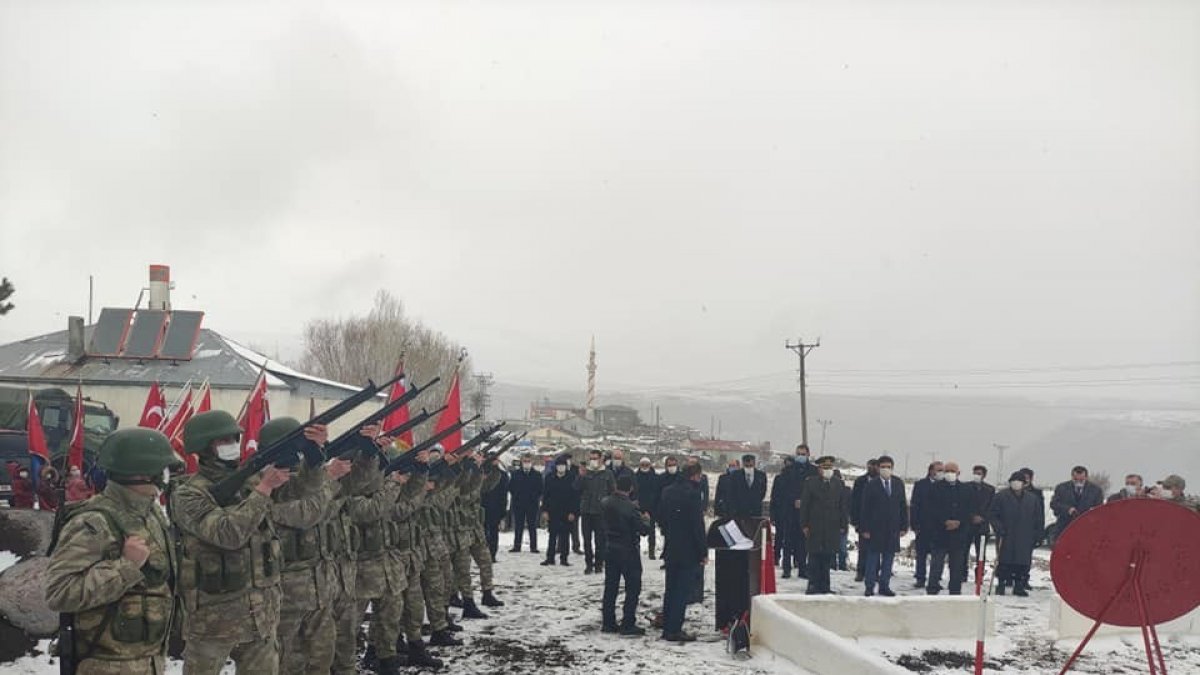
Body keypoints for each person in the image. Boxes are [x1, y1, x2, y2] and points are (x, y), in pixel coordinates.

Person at [44, 428, 183, 675]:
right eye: (161, 469)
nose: (165, 476)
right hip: (106, 666)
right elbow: (59, 592)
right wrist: (126, 566)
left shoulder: (151, 513)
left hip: (150, 661)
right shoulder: (92, 523)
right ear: (138, 473)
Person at [171, 410, 292, 674]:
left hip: (261, 615)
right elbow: (228, 535)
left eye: (235, 439)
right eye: (223, 440)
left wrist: (312, 454)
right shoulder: (187, 494)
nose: (233, 445)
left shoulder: (251, 480)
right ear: (204, 447)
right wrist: (264, 489)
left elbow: (302, 496)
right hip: (213, 620)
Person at [658, 462, 707, 643]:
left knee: (670, 588)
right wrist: (703, 551)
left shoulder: (667, 491)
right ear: (695, 475)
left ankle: (666, 625)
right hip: (688, 549)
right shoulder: (693, 494)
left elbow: (661, 517)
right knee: (681, 591)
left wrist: (669, 532)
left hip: (671, 545)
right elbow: (697, 525)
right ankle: (674, 629)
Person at [601, 474, 653, 635]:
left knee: (611, 587)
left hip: (610, 547)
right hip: (628, 550)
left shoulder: (605, 502)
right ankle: (628, 623)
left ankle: (608, 622)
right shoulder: (631, 508)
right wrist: (646, 519)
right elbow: (643, 530)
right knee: (633, 587)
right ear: (630, 488)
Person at [797, 456, 848, 595]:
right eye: (824, 468)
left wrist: (843, 524)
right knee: (814, 556)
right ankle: (813, 585)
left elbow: (842, 506)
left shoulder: (838, 483)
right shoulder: (811, 483)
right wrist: (804, 524)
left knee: (827, 557)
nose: (827, 470)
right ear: (819, 469)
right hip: (815, 525)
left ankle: (825, 586)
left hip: (832, 526)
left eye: (829, 467)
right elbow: (805, 506)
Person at [989, 471, 1044, 596]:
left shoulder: (1032, 499)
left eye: (1019, 481)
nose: (1016, 484)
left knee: (1022, 562)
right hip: (1006, 534)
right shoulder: (1001, 496)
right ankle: (1001, 584)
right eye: (1013, 481)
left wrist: (1038, 535)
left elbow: (1038, 518)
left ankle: (1019, 586)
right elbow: (992, 514)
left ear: (1024, 484)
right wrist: (998, 528)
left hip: (1025, 535)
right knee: (1004, 561)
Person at [858, 455, 907, 597]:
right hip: (875, 528)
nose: (886, 469)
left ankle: (884, 586)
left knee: (888, 559)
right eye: (883, 467)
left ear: (892, 468)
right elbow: (865, 508)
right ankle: (869, 586)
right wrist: (864, 528)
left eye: (888, 467)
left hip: (892, 528)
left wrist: (904, 526)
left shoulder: (898, 483)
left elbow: (902, 506)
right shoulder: (871, 485)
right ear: (878, 468)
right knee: (872, 559)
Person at [925, 461, 976, 595]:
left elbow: (969, 509)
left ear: (958, 473)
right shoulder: (935, 488)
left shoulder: (966, 489)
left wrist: (959, 522)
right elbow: (931, 509)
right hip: (940, 533)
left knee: (957, 565)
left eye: (952, 471)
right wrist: (944, 521)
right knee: (936, 564)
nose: (949, 474)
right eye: (947, 471)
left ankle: (955, 590)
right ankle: (932, 588)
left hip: (959, 534)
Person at [778, 444, 817, 578]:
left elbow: (814, 492)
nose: (800, 456)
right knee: (788, 541)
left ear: (808, 455)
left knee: (803, 542)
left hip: (806, 512)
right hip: (790, 511)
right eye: (798, 454)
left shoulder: (813, 471)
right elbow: (783, 490)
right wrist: (793, 500)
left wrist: (803, 501)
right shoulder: (788, 471)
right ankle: (786, 568)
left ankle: (802, 568)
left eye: (803, 454)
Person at [575, 449, 616, 575]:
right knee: (587, 540)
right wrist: (581, 476)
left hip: (601, 512)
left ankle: (598, 564)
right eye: (591, 458)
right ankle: (588, 564)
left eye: (595, 458)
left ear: (601, 459)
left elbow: (612, 492)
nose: (593, 461)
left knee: (600, 541)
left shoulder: (607, 474)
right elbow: (576, 488)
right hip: (586, 511)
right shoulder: (586, 473)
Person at [909, 461, 944, 588]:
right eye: (938, 470)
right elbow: (914, 505)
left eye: (942, 470)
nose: (940, 473)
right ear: (931, 471)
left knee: (938, 556)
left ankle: (935, 580)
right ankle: (920, 578)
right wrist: (914, 524)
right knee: (921, 554)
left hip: (939, 527)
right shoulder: (921, 485)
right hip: (923, 525)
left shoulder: (945, 486)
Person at [541, 455, 579, 566]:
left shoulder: (572, 478)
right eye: (559, 465)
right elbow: (546, 495)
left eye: (563, 465)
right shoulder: (550, 477)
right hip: (553, 511)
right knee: (552, 536)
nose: (561, 467)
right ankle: (550, 558)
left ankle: (564, 558)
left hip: (567, 512)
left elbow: (575, 497)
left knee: (565, 536)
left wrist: (573, 512)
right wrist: (544, 510)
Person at [1050, 465, 1104, 539]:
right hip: (1064, 527)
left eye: (1081, 480)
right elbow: (1054, 504)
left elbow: (1099, 509)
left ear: (1086, 477)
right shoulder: (1061, 488)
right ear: (1072, 477)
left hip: (1087, 529)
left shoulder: (1096, 490)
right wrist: (1068, 509)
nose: (1078, 482)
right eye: (1075, 479)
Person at [962, 465, 995, 580]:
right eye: (975, 473)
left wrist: (983, 518)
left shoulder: (990, 490)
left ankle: (979, 575)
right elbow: (963, 505)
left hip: (982, 526)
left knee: (981, 553)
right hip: (967, 525)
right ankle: (962, 574)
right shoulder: (966, 487)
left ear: (984, 475)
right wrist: (971, 516)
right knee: (963, 551)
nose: (977, 475)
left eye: (979, 473)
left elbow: (992, 507)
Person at [850, 459, 879, 582]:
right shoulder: (860, 481)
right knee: (863, 548)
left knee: (877, 548)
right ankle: (860, 572)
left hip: (878, 521)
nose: (872, 468)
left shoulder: (881, 482)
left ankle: (874, 572)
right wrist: (855, 520)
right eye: (870, 466)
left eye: (874, 466)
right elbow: (854, 502)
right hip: (863, 520)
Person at [508, 454, 543, 553]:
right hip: (519, 504)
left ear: (531, 462)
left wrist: (534, 497)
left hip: (532, 504)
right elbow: (511, 487)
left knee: (532, 526)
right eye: (525, 461)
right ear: (522, 462)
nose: (527, 463)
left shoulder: (537, 475)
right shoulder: (516, 474)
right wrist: (517, 495)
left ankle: (533, 547)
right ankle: (517, 546)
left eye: (528, 461)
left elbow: (540, 489)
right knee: (518, 526)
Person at [769, 456, 795, 568]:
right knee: (779, 537)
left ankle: (794, 559)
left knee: (793, 538)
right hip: (780, 512)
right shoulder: (779, 478)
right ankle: (776, 557)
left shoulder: (796, 478)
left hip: (793, 513)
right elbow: (774, 497)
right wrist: (773, 515)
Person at [482, 455, 510, 561]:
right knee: (483, 532)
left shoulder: (502, 475)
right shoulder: (482, 473)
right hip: (482, 507)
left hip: (496, 508)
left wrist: (503, 510)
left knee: (493, 532)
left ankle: (492, 554)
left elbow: (504, 494)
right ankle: (484, 554)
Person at [656, 456, 682, 566]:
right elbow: (657, 496)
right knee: (668, 538)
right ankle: (667, 560)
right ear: (666, 466)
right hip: (666, 513)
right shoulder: (661, 478)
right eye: (670, 465)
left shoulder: (681, 478)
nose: (672, 467)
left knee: (679, 539)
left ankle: (678, 560)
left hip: (680, 513)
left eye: (673, 465)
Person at [634, 458, 661, 559]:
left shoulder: (656, 478)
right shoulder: (635, 477)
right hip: (638, 508)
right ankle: (636, 550)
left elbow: (658, 493)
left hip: (652, 508)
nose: (645, 466)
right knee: (636, 531)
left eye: (646, 464)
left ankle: (651, 552)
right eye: (643, 464)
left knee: (652, 531)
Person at [727, 454, 768, 519]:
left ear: (754, 464)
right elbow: (732, 492)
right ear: (743, 463)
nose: (749, 468)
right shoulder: (736, 475)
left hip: (755, 510)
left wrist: (755, 500)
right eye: (746, 466)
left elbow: (763, 491)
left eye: (750, 466)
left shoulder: (761, 475)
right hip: (739, 510)